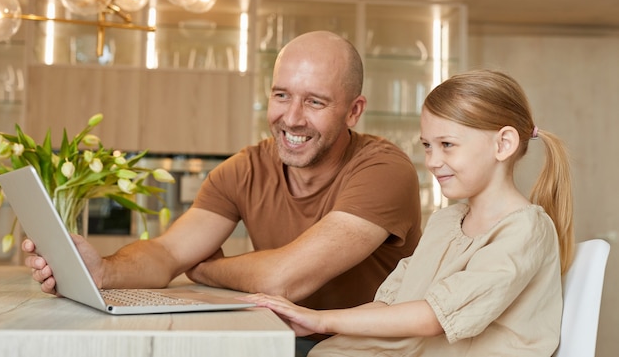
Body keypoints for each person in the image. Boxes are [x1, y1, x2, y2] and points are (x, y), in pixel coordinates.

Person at [23, 30, 423, 354]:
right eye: (281, 95)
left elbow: (285, 280)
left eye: (315, 102)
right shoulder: (245, 169)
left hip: (373, 349)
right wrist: (103, 271)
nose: (292, 118)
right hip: (279, 339)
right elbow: (167, 253)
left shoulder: (384, 169)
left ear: (354, 111)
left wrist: (205, 267)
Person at [244, 69, 575, 357]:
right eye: (427, 146)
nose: (431, 161)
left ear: (503, 144)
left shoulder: (526, 229)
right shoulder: (447, 221)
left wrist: (319, 319)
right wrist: (312, 323)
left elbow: (434, 317)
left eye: (447, 145)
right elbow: (390, 304)